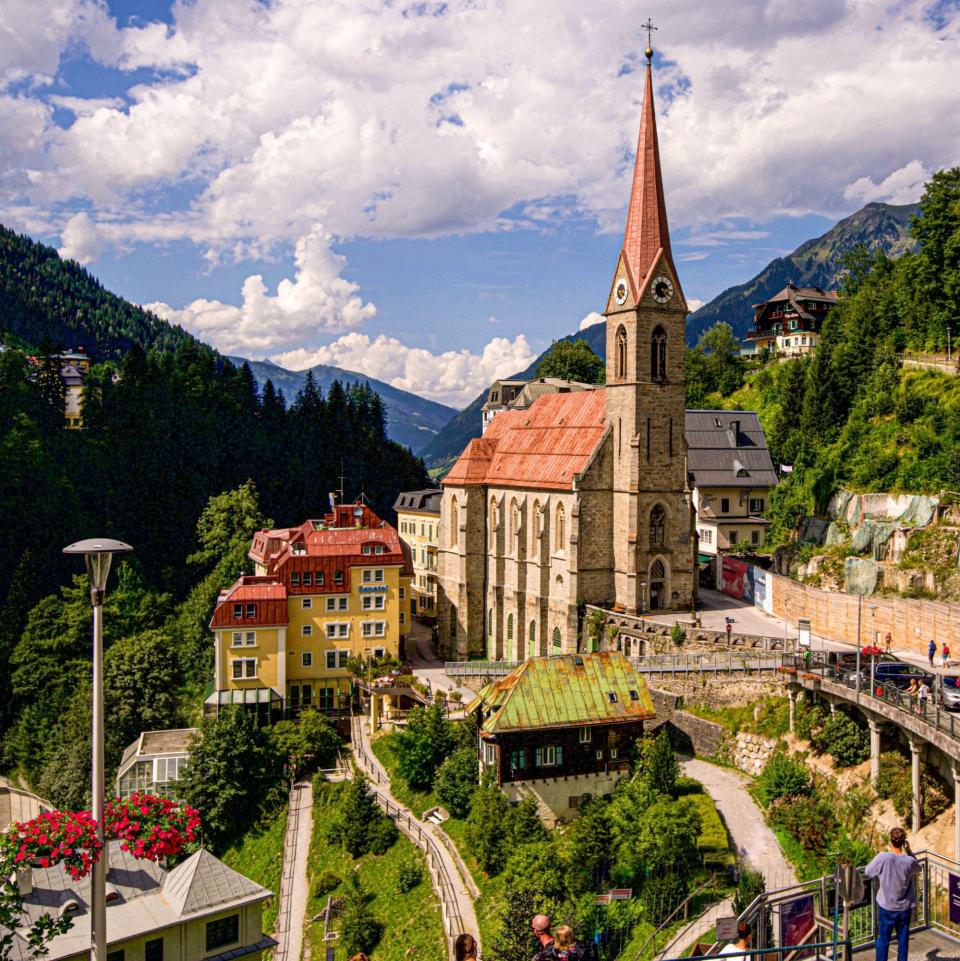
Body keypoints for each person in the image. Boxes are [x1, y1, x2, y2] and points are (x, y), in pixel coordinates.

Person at [864, 827, 920, 961]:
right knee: (903, 941)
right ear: (903, 842)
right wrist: (910, 851)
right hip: (904, 908)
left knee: (883, 941)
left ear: (890, 841)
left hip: (886, 907)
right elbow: (919, 868)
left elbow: (867, 872)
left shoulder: (883, 857)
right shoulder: (909, 861)